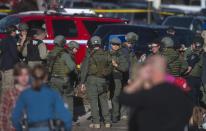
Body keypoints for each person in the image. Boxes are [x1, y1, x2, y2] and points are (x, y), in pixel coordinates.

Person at [120, 55, 193, 131]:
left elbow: (124, 97)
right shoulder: (176, 91)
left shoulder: (148, 94)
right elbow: (188, 110)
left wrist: (139, 80)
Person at [12, 64, 72, 131]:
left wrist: (20, 129)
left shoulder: (25, 94)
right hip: (48, 127)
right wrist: (67, 128)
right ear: (45, 77)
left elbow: (15, 117)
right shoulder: (52, 94)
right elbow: (66, 117)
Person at [80, 36, 112, 128]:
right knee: (104, 101)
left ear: (91, 44)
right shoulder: (106, 53)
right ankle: (107, 122)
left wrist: (82, 82)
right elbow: (110, 67)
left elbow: (84, 69)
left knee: (93, 102)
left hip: (91, 80)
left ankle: (96, 122)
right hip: (103, 80)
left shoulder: (89, 54)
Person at [48, 36, 79, 114]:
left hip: (53, 79)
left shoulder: (50, 53)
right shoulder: (64, 54)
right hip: (64, 80)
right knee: (68, 98)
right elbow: (72, 67)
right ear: (63, 43)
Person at [0, 63, 30, 131]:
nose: (24, 77)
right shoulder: (9, 95)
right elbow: (3, 118)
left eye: (26, 74)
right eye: (21, 75)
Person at [109, 37, 128, 123]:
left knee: (115, 97)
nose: (115, 46)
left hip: (117, 78)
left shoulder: (121, 55)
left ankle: (115, 115)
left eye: (117, 45)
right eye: (113, 44)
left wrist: (116, 65)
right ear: (110, 45)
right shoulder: (107, 54)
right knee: (105, 97)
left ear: (119, 46)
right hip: (108, 78)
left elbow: (124, 68)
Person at [121, 32, 139, 119]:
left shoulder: (128, 50)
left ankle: (125, 113)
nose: (133, 44)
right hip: (126, 77)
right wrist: (129, 78)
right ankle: (123, 113)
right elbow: (127, 66)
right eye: (133, 43)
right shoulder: (125, 51)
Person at [185, 36, 204, 104]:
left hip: (197, 77)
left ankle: (196, 111)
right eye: (197, 45)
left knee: (196, 96)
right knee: (191, 96)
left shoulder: (200, 52)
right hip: (190, 76)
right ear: (193, 44)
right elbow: (186, 62)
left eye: (200, 45)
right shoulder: (188, 51)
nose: (199, 48)